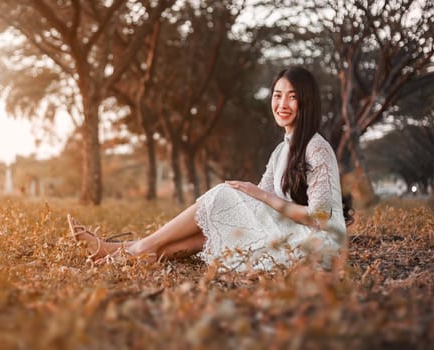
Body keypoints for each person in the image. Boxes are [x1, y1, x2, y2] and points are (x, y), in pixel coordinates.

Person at [68, 66, 352, 271]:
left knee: (221, 198)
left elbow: (320, 219)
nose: (282, 104)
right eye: (277, 95)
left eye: (292, 96)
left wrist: (260, 197)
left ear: (307, 101)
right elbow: (257, 205)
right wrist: (246, 195)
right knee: (220, 221)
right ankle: (135, 252)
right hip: (288, 230)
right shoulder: (282, 151)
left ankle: (138, 248)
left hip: (318, 245)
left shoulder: (317, 148)